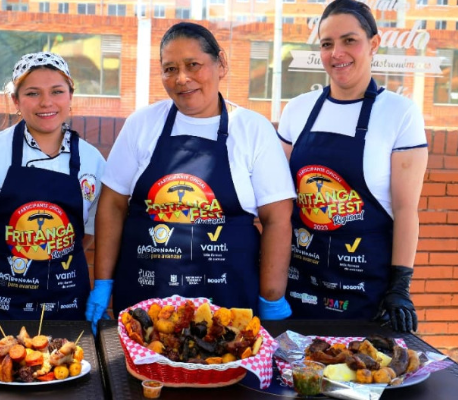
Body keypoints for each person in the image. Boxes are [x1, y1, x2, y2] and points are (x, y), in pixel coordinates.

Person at [86, 22, 295, 333]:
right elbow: (113, 205)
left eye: (193, 65)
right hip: (147, 306)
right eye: (170, 69)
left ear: (221, 63)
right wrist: (103, 284)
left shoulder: (253, 129)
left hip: (228, 310)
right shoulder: (142, 124)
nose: (181, 79)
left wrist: (271, 298)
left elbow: (277, 218)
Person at [278, 0, 427, 332]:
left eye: (349, 40)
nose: (337, 52)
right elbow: (279, 202)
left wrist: (399, 287)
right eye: (327, 43)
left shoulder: (399, 113)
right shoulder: (297, 110)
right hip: (299, 285)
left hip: (365, 292)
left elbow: (405, 210)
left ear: (373, 44)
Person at [0, 52, 106, 320]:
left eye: (57, 91)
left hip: (65, 304)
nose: (46, 102)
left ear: (70, 96)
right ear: (16, 100)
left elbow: (88, 232)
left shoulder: (93, 160)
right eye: (33, 93)